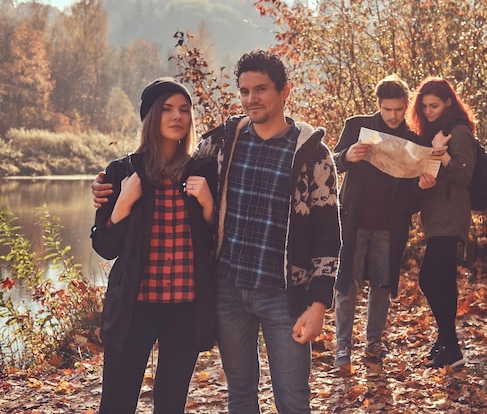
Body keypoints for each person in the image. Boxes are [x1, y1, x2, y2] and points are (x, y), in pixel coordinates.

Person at [93, 50, 341, 413]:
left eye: (261, 89)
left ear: (285, 91)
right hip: (209, 295)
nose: (251, 99)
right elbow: (108, 237)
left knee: (291, 398)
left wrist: (319, 302)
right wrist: (108, 193)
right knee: (238, 393)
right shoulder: (221, 144)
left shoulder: (304, 156)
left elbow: (328, 234)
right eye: (244, 91)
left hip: (268, 296)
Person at [90, 77, 218, 413]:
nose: (178, 116)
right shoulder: (121, 172)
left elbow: (217, 242)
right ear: (150, 117)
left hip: (185, 308)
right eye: (167, 109)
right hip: (135, 306)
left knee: (171, 403)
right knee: (117, 401)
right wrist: (123, 204)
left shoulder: (203, 171)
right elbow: (104, 246)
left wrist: (207, 205)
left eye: (185, 110)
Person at [332, 74, 436, 368]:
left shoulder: (414, 138)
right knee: (346, 285)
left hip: (390, 226)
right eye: (387, 109)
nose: (393, 116)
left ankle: (373, 342)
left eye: (399, 110)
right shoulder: (357, 126)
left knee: (382, 284)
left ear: (406, 106)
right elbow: (332, 162)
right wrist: (348, 156)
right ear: (377, 105)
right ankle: (343, 347)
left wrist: (423, 186)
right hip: (353, 221)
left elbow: (415, 194)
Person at [406, 76, 477, 369]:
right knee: (444, 280)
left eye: (434, 105)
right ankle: (447, 344)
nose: (428, 111)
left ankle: (451, 343)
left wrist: (442, 152)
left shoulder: (458, 131)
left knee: (429, 278)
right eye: (424, 107)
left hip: (452, 215)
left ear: (449, 102)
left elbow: (463, 175)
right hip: (436, 216)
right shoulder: (435, 132)